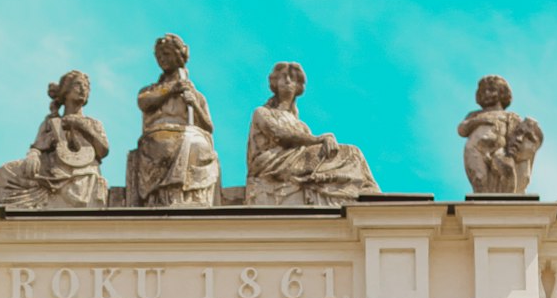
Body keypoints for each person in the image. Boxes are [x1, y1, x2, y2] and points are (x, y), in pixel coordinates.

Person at [245, 62, 379, 206]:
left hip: (295, 160)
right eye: (283, 77)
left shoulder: (301, 126)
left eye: (293, 78)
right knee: (348, 154)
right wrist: (318, 139)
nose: (288, 81)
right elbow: (280, 134)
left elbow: (307, 147)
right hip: (273, 164)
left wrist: (321, 142)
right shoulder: (262, 112)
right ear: (275, 83)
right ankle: (365, 193)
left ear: (298, 86)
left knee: (353, 153)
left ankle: (366, 190)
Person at [0, 71, 109, 210]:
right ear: (65, 92)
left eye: (86, 86)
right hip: (50, 170)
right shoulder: (51, 122)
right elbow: (37, 147)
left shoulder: (93, 123)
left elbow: (103, 150)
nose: (83, 89)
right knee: (3, 173)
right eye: (78, 85)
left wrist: (81, 125)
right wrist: (33, 154)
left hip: (82, 172)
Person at [131, 34, 220, 207]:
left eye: (166, 54)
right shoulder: (151, 90)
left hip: (190, 134)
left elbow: (208, 126)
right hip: (158, 134)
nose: (162, 59)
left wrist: (195, 104)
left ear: (178, 55)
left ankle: (189, 197)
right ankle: (163, 198)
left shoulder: (196, 95)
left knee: (199, 146)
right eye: (159, 56)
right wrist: (171, 89)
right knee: (163, 144)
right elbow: (144, 102)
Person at [458, 75, 544, 194]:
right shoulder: (474, 115)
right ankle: (483, 209)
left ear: (502, 93)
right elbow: (462, 130)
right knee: (479, 178)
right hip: (475, 149)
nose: (487, 93)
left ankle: (508, 207)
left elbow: (522, 135)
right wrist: (479, 121)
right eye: (483, 91)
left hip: (501, 151)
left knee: (507, 173)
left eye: (492, 90)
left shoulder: (511, 116)